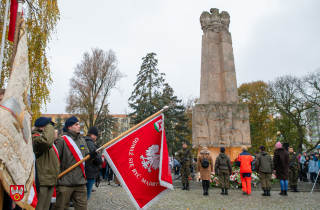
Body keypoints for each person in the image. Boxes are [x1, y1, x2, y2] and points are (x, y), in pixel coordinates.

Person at [52, 116, 97, 210]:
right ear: (69, 127)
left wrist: (91, 156)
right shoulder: (61, 141)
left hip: (80, 182)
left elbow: (86, 161)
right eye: (76, 124)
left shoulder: (82, 141)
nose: (79, 126)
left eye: (79, 124)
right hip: (64, 182)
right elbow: (54, 161)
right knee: (60, 207)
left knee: (82, 208)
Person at [32, 117, 60, 210]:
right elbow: (47, 142)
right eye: (48, 125)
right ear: (41, 127)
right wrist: (49, 125)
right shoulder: (35, 138)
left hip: (49, 180)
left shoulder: (45, 140)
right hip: (42, 181)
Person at [84, 127, 103, 200]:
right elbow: (98, 159)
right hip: (90, 172)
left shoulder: (83, 141)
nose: (96, 138)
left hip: (84, 172)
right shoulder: (91, 144)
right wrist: (101, 159)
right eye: (96, 136)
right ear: (92, 135)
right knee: (86, 197)